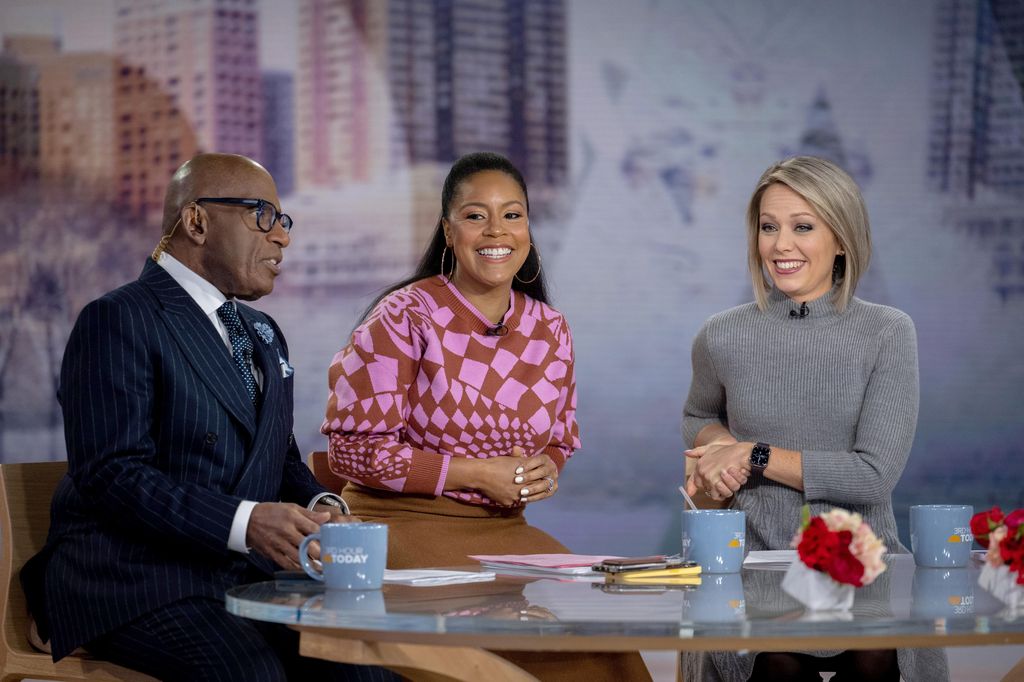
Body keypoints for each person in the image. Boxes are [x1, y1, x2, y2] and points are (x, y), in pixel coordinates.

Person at [21, 153, 394, 682]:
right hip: (135, 579)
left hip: (242, 578)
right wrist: (246, 523)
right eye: (262, 215)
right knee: (253, 674)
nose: (282, 237)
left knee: (366, 667)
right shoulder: (117, 318)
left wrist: (322, 505)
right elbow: (111, 474)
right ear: (196, 221)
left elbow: (278, 454)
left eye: (283, 221)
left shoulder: (262, 332)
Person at [321, 151, 651, 681]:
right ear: (448, 232)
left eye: (512, 214)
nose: (496, 230)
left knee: (606, 637)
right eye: (476, 215)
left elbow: (558, 439)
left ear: (529, 228)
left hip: (504, 533)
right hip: (401, 529)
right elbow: (352, 452)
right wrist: (474, 474)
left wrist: (544, 469)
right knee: (494, 658)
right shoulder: (404, 315)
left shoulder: (550, 328)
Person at [681, 156, 945, 681]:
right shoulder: (722, 334)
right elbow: (698, 416)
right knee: (778, 665)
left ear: (842, 239)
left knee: (874, 662)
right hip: (758, 568)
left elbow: (873, 475)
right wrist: (718, 447)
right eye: (768, 227)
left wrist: (753, 454)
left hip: (865, 572)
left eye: (803, 226)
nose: (781, 245)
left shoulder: (888, 332)